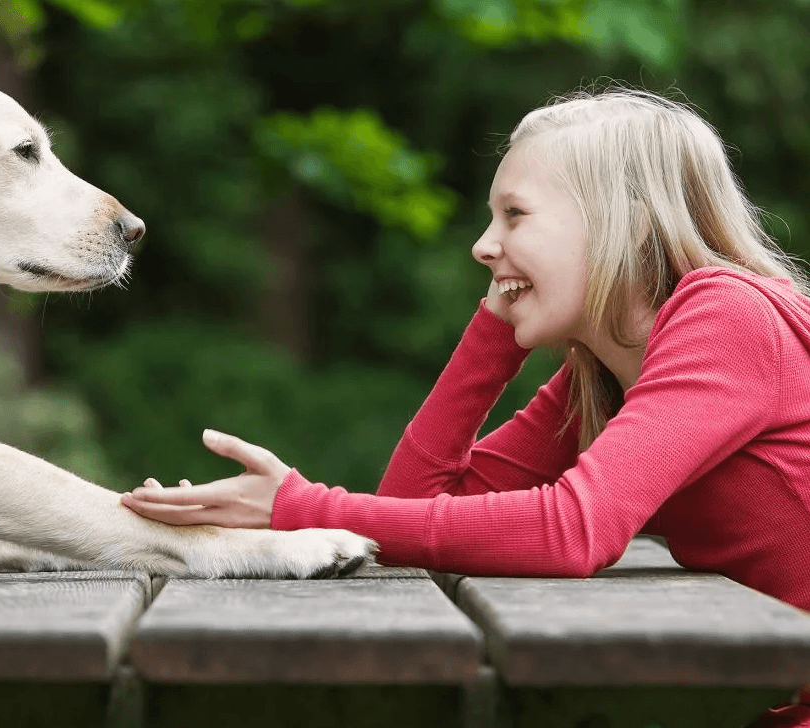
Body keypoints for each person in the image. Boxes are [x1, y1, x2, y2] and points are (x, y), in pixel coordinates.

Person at [121, 88, 810, 725]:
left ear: (624, 225)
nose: (483, 245)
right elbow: (415, 505)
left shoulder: (726, 316)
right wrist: (493, 335)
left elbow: (572, 531)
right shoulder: (599, 375)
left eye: (514, 215)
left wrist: (297, 509)